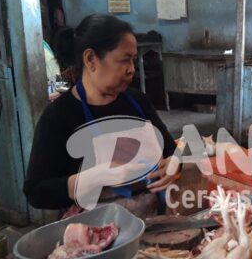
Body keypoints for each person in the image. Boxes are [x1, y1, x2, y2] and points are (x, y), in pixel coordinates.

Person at [24, 14, 179, 218]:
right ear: (90, 59)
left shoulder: (138, 102)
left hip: (150, 224)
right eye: (124, 60)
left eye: (133, 60)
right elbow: (36, 192)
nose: (132, 69)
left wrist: (174, 165)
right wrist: (95, 177)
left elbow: (171, 150)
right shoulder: (59, 115)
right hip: (94, 237)